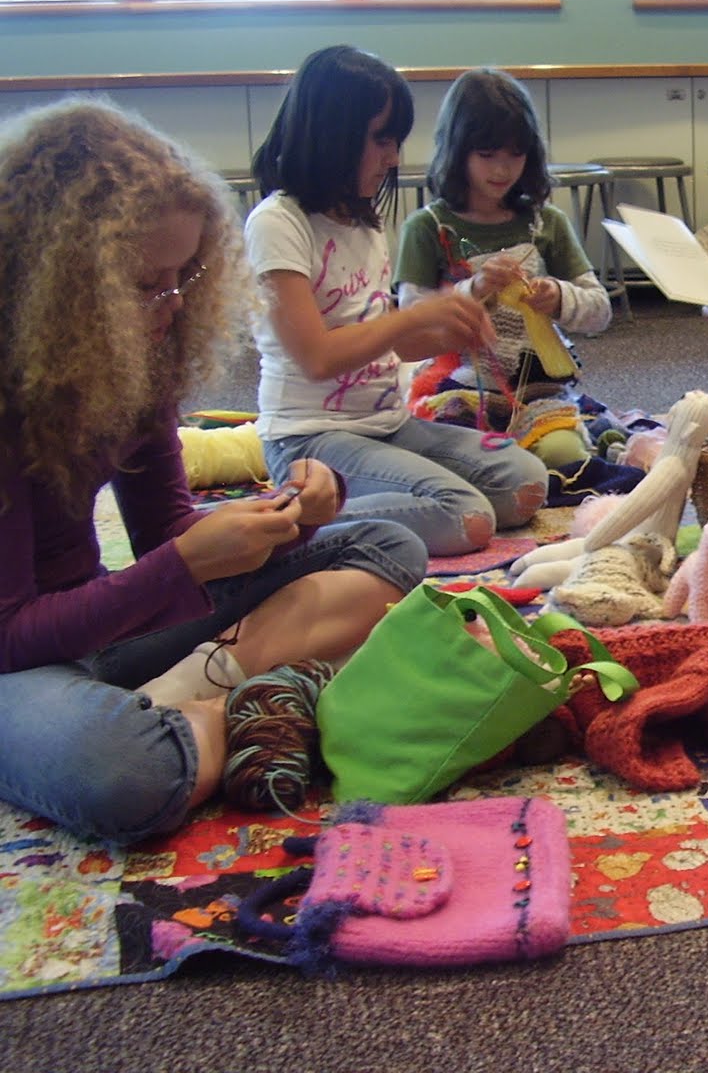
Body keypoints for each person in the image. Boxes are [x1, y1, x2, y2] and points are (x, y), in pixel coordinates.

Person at [0, 99, 428, 843]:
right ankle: (254, 702)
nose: (170, 307)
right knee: (121, 774)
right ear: (62, 283)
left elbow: (165, 529)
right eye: (144, 285)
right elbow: (11, 634)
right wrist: (182, 564)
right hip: (14, 656)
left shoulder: (134, 353)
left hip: (91, 631)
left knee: (388, 546)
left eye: (182, 279)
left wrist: (284, 519)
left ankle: (200, 697)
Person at [246, 46, 549, 557]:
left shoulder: (361, 220)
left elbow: (385, 347)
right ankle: (282, 519)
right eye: (382, 139)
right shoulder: (278, 222)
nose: (393, 157)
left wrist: (448, 329)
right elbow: (317, 358)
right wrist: (416, 315)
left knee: (525, 484)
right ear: (333, 135)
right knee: (466, 517)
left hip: (387, 424)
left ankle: (365, 499)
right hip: (308, 439)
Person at [393, 68, 611, 464]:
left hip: (540, 390)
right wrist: (472, 291)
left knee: (564, 455)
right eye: (487, 155)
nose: (501, 170)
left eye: (515, 155)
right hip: (458, 384)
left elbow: (600, 309)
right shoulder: (427, 227)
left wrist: (559, 297)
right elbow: (409, 323)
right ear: (457, 152)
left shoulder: (547, 223)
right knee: (447, 456)